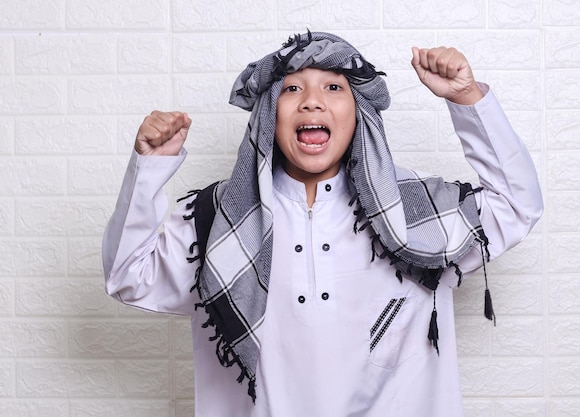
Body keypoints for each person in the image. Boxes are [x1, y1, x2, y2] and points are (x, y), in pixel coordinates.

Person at [102, 31, 542, 416]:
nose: (312, 99)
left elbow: (517, 206)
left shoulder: (419, 215)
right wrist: (148, 172)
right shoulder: (218, 221)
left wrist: (467, 99)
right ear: (268, 117)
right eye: (292, 88)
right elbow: (128, 277)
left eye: (334, 86)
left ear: (360, 116)